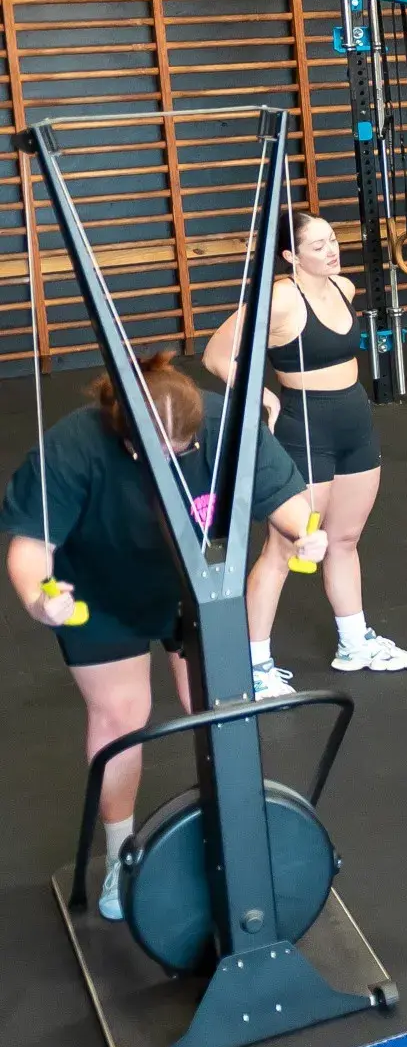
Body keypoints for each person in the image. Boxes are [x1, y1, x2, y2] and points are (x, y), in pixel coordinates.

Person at [5, 355, 327, 920]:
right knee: (122, 718)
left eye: (184, 451)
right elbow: (29, 546)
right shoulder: (74, 446)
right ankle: (119, 859)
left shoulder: (228, 423)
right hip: (101, 593)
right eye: (158, 454)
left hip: (194, 579)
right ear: (126, 437)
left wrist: (307, 535)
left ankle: (240, 843)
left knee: (218, 704)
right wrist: (40, 597)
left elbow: (288, 504)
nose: (175, 461)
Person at [199, 213, 407, 699]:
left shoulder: (344, 287)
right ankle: (253, 665)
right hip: (305, 426)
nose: (332, 250)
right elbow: (216, 355)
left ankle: (354, 642)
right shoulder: (278, 299)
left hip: (355, 421)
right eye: (318, 246)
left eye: (333, 239)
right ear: (292, 256)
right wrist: (262, 397)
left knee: (346, 537)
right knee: (284, 548)